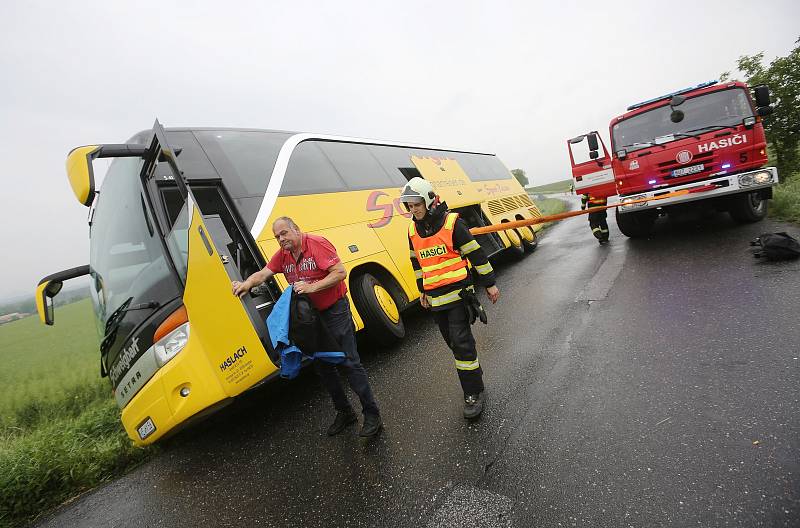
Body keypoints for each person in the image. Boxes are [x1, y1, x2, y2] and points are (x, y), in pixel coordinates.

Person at [233, 217, 382, 437]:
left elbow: (340, 273)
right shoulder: (283, 255)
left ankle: (372, 414)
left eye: (284, 233)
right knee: (322, 365)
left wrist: (312, 287)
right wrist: (246, 283)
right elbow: (264, 273)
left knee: (349, 362)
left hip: (335, 310)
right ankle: (345, 412)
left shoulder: (316, 243)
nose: (281, 239)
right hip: (312, 318)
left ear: (296, 230)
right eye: (277, 237)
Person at [400, 177, 500, 419]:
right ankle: (474, 375)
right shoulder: (413, 230)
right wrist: (422, 289)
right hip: (436, 300)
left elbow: (476, 254)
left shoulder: (452, 223)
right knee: (455, 345)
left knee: (462, 343)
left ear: (429, 200)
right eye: (409, 206)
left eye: (417, 204)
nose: (413, 210)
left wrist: (490, 284)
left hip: (458, 296)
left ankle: (473, 393)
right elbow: (417, 262)